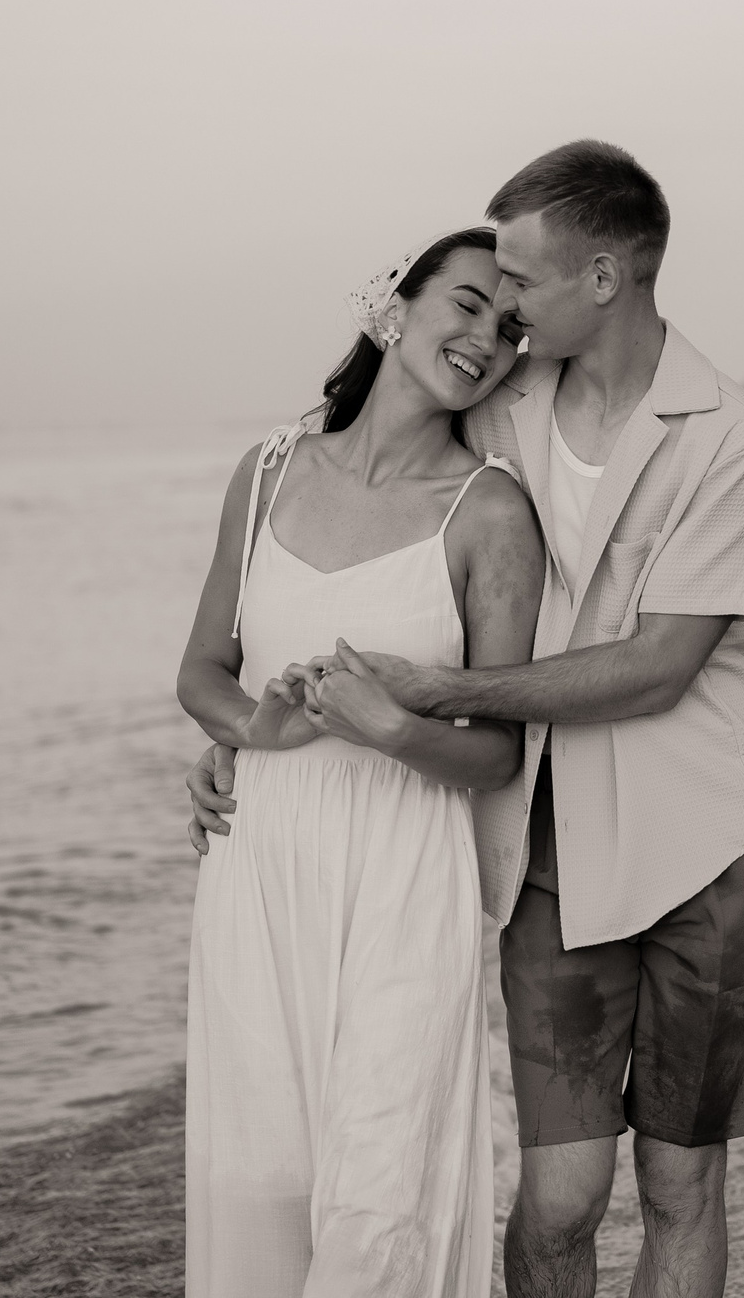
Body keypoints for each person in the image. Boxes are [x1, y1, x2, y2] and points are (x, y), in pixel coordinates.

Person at [191, 142, 744, 1298]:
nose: (504, 309)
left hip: (708, 850)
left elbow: (660, 666)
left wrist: (432, 693)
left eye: (520, 279)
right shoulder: (500, 400)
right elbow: (349, 548)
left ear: (605, 277)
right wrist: (243, 732)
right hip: (549, 851)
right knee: (560, 1196)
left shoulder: (731, 437)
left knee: (681, 1182)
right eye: (489, 285)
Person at [174, 226, 546, 1298]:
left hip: (402, 873)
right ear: (394, 303)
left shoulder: (489, 514)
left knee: (379, 1195)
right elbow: (204, 667)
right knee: (264, 1180)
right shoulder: (272, 469)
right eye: (468, 304)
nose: (487, 337)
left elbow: (496, 753)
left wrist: (388, 726)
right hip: (260, 867)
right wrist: (258, 732)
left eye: (511, 326)